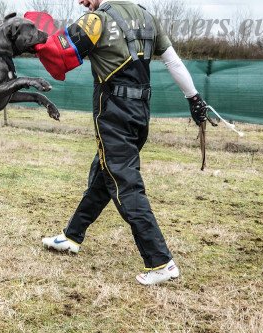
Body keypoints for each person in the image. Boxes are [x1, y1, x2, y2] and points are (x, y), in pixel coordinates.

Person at [24, 0, 209, 285]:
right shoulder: (147, 18)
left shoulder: (96, 21)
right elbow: (173, 61)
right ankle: (72, 236)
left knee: (124, 183)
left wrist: (31, 37)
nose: (81, 2)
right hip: (140, 112)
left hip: (114, 112)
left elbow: (57, 57)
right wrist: (194, 98)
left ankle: (161, 262)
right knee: (105, 172)